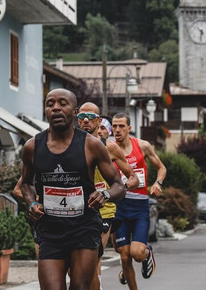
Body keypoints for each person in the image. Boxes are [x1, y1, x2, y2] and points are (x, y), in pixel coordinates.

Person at [19, 89, 126, 290]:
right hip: (50, 230)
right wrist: (32, 202)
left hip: (83, 228)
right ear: (45, 110)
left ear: (74, 111)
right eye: (50, 104)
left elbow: (119, 185)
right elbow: (25, 183)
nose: (56, 108)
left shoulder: (91, 145)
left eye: (63, 103)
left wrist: (105, 194)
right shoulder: (32, 146)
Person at [77, 102, 138, 290]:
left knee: (93, 258)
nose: (85, 121)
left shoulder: (109, 147)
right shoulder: (71, 145)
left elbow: (133, 177)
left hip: (104, 209)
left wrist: (117, 189)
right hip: (78, 209)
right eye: (81, 117)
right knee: (77, 267)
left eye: (90, 117)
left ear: (99, 120)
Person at [112, 113, 166, 290]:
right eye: (114, 126)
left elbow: (161, 168)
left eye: (121, 126)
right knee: (124, 256)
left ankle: (146, 252)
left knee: (136, 253)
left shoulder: (142, 146)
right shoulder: (108, 149)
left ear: (129, 128)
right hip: (119, 206)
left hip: (140, 206)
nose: (117, 130)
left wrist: (158, 183)